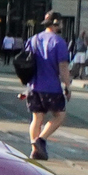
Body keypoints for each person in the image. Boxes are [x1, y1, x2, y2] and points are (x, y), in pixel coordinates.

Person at [20, 13, 71, 160]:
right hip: (51, 87)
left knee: (36, 118)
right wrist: (67, 86)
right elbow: (63, 66)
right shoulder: (59, 42)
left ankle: (34, 150)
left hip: (34, 86)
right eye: (60, 23)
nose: (61, 25)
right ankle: (40, 140)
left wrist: (26, 86)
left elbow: (26, 63)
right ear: (56, 23)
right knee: (59, 115)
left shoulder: (34, 39)